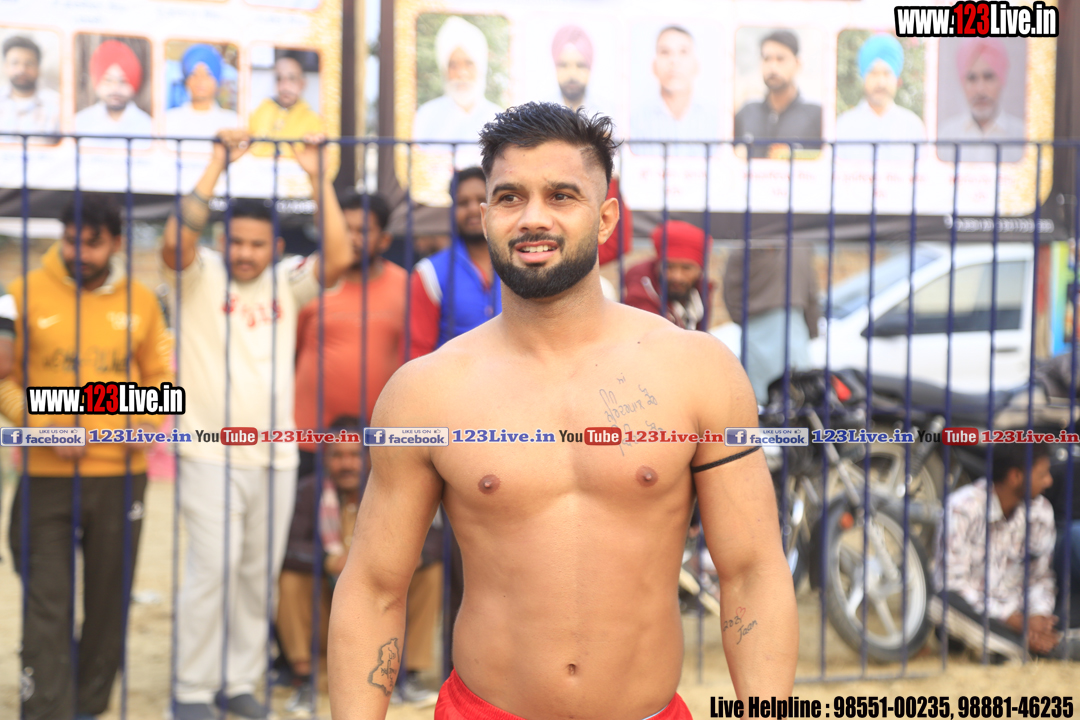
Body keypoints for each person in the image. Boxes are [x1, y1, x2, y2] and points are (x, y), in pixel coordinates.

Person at [328, 102, 798, 720]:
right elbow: (374, 587)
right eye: (510, 197)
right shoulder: (427, 392)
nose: (533, 217)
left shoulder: (697, 370)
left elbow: (752, 571)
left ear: (605, 219)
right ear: (485, 216)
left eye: (561, 195)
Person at [160, 129, 350, 720]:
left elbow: (340, 257)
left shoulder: (285, 282)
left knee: (255, 574)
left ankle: (238, 681)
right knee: (211, 571)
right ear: (223, 240)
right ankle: (191, 689)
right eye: (237, 242)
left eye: (257, 244)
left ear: (275, 246)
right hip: (207, 451)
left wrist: (317, 177)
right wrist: (217, 162)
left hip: (276, 455)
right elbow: (174, 242)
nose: (245, 253)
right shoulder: (197, 275)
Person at [1, 193, 173, 720]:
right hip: (46, 476)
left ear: (117, 243)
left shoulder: (143, 301)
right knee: (46, 601)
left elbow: (162, 382)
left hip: (121, 476)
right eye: (71, 240)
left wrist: (136, 420)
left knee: (108, 601)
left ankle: (90, 706)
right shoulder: (20, 293)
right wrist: (46, 426)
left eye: (92, 243)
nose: (79, 252)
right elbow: (3, 380)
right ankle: (44, 709)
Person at [931, 442, 1080, 661]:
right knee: (941, 603)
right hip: (982, 614)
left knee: (1064, 612)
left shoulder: (1040, 511)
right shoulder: (962, 508)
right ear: (1015, 476)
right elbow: (952, 583)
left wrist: (1037, 615)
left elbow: (1041, 578)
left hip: (1022, 613)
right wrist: (1012, 619)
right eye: (1042, 474)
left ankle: (1016, 646)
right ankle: (1034, 647)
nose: (1049, 481)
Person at [294, 192, 407, 478]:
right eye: (344, 229)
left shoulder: (405, 286)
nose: (352, 239)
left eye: (363, 231)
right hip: (309, 438)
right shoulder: (308, 282)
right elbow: (287, 352)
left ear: (384, 240)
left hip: (379, 442)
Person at [408, 166, 501, 359]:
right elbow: (417, 351)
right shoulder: (429, 273)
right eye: (462, 203)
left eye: (481, 199)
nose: (473, 209)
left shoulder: (523, 261)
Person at [722, 242, 820, 404]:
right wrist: (812, 328)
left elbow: (731, 291)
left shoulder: (749, 244)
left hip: (770, 324)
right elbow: (811, 292)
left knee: (768, 396)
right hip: (775, 326)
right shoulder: (799, 243)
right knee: (793, 393)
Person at [834, 33, 926, 163]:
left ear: (896, 79)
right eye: (874, 73)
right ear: (863, 78)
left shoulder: (913, 127)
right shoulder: (843, 126)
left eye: (887, 73)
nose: (880, 83)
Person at [412, 16, 502, 144]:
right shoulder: (426, 115)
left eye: (468, 64)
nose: (461, 73)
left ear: (481, 67)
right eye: (453, 65)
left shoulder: (497, 118)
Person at [733, 30, 822, 159]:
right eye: (766, 59)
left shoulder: (816, 116)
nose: (772, 66)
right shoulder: (747, 112)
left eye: (780, 59)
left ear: (798, 64)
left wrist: (792, 155)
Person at [630, 26, 718, 155]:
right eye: (665, 52)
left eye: (683, 52)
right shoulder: (634, 123)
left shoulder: (718, 122)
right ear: (654, 66)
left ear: (696, 65)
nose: (674, 61)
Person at [937, 38, 1025, 163]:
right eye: (972, 78)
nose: (980, 89)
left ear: (1001, 80)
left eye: (988, 77)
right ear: (963, 83)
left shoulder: (1023, 137)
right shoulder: (945, 137)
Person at [624, 220, 712, 330]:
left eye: (686, 268)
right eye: (669, 267)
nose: (677, 276)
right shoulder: (641, 289)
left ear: (699, 270)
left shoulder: (701, 291)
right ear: (658, 265)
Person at [74, 39, 153, 140]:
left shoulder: (149, 127)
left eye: (123, 81)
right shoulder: (78, 124)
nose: (115, 89)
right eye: (108, 81)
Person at [165, 44, 239, 148]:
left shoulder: (232, 123)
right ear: (187, 81)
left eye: (207, 74)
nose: (200, 80)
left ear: (217, 81)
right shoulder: (169, 120)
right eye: (194, 74)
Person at [249, 53, 323, 158]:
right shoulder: (260, 112)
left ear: (302, 83)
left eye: (292, 79)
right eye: (279, 79)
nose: (285, 86)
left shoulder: (313, 120)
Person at [0, 35, 60, 139]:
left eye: (29, 63)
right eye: (15, 63)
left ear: (38, 67)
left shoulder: (57, 104)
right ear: (6, 66)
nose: (22, 69)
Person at [550, 25, 594, 113]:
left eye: (580, 65)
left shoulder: (611, 112)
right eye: (564, 65)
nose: (572, 74)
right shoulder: (540, 115)